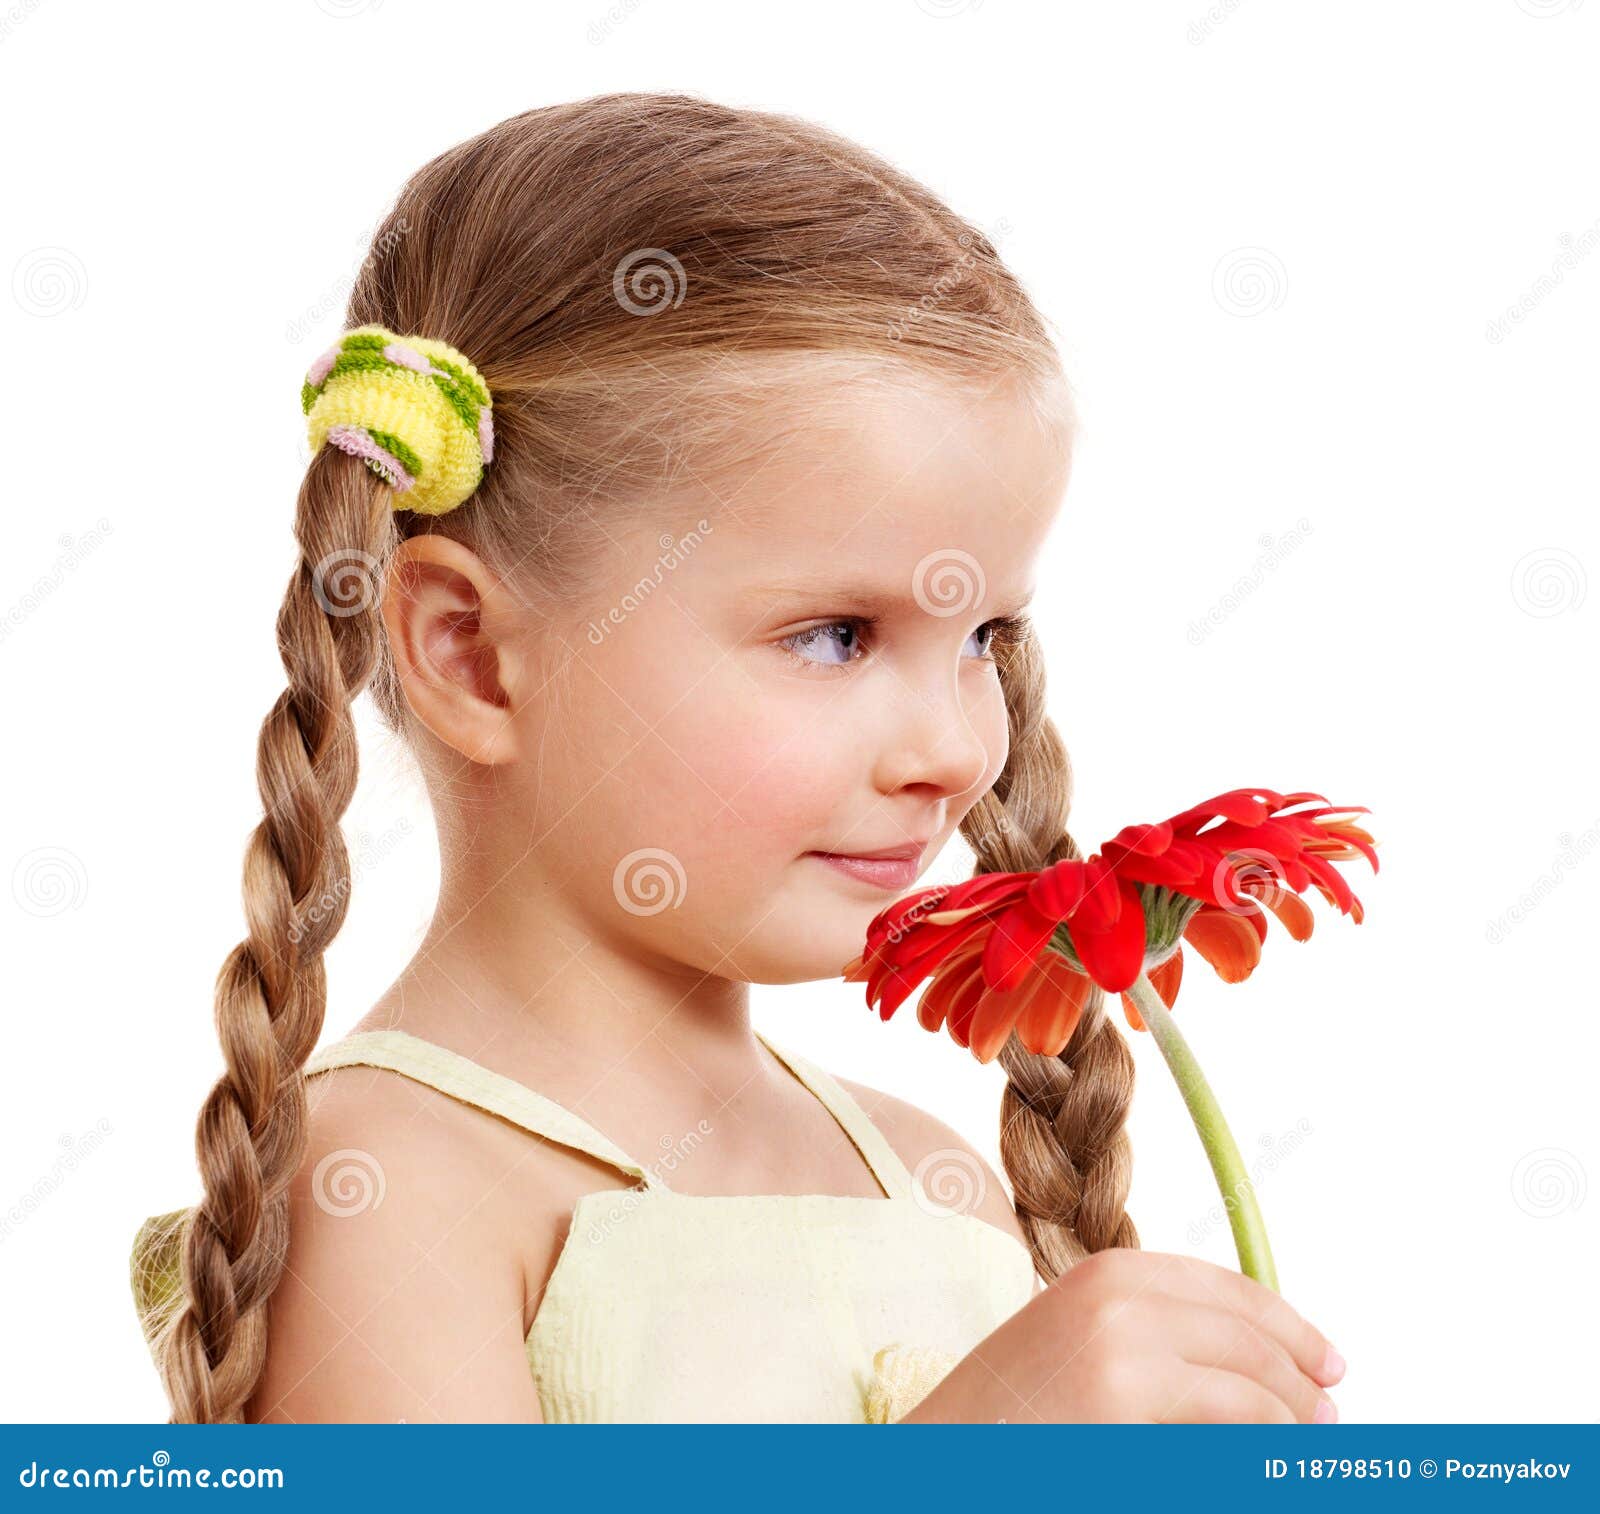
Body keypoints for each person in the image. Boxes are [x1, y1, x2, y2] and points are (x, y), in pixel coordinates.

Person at [129, 91, 1345, 1425]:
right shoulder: (386, 1190)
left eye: (982, 632)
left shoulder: (935, 1179)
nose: (953, 747)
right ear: (470, 653)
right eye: (835, 634)